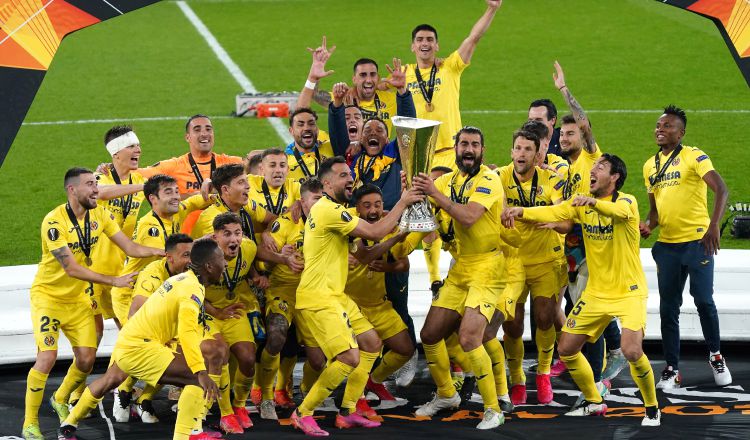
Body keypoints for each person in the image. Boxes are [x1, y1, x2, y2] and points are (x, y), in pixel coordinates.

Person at [502, 154, 661, 427]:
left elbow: (619, 214)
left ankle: (652, 409)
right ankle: (593, 401)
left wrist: (595, 203)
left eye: (601, 167)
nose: (593, 170)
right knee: (566, 348)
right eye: (593, 166)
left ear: (615, 178)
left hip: (629, 293)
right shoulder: (581, 205)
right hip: (597, 293)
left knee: (631, 350)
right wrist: (522, 212)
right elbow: (555, 212)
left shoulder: (627, 202)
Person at [22, 168, 163, 440]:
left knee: (86, 360)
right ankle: (30, 423)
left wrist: (160, 251)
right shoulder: (54, 222)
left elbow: (130, 247)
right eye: (90, 185)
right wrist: (113, 280)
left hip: (79, 300)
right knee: (47, 357)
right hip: (48, 299)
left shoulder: (100, 214)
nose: (96, 189)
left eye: (96, 184)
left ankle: (60, 398)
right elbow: (72, 268)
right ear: (71, 190)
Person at [289, 157, 421, 436]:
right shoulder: (327, 210)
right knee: (349, 357)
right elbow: (374, 230)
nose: (349, 179)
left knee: (372, 344)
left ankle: (348, 411)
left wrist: (398, 236)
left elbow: (363, 255)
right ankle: (303, 412)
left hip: (335, 295)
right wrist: (403, 202)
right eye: (342, 175)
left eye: (350, 174)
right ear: (326, 183)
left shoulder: (334, 211)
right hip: (319, 297)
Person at [58, 238, 227, 440]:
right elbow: (187, 332)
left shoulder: (181, 280)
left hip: (131, 340)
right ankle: (189, 434)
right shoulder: (191, 289)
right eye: (222, 259)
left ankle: (68, 424)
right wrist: (200, 371)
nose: (225, 264)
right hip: (141, 347)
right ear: (209, 266)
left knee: (109, 380)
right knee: (196, 378)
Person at [411, 126, 509, 430]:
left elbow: (468, 217)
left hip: (489, 267)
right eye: (464, 144)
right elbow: (428, 220)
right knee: (429, 335)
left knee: (469, 337)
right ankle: (446, 395)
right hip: (461, 267)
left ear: (483, 151)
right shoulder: (446, 180)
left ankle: (494, 408)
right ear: (455, 148)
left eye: (475, 145)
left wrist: (434, 193)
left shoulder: (488, 180)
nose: (468, 149)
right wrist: (413, 189)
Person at [110, 174, 215, 423]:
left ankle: (144, 399)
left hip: (161, 294)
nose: (176, 196)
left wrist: (208, 193)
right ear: (153, 199)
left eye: (176, 191)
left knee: (168, 346)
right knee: (141, 347)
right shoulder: (150, 227)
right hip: (134, 294)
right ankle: (122, 391)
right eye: (169, 192)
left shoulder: (173, 214)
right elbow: (172, 256)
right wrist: (204, 243)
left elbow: (194, 201)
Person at [640, 105, 731, 389]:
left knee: (704, 300)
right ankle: (672, 369)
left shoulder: (694, 155)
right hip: (667, 246)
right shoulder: (649, 166)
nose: (660, 129)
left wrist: (713, 225)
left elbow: (722, 189)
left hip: (697, 242)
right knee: (669, 309)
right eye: (658, 125)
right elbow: (654, 212)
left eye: (667, 126)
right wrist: (647, 226)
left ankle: (716, 356)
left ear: (681, 133)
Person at [497, 129, 567, 405]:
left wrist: (551, 219)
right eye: (518, 148)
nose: (522, 154)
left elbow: (564, 219)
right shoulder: (499, 177)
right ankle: (517, 378)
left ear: (538, 155)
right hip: (512, 261)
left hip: (545, 261)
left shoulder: (552, 180)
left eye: (528, 149)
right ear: (511, 151)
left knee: (545, 318)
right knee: (512, 322)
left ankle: (543, 373)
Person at [254, 178, 324, 421]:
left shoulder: (332, 220)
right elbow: (262, 261)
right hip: (282, 290)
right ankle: (264, 395)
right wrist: (276, 257)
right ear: (302, 202)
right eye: (315, 199)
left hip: (313, 293)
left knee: (318, 358)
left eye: (323, 198)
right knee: (276, 336)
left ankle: (304, 392)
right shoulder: (285, 224)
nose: (321, 203)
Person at [405, 0, 503, 169]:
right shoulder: (403, 74)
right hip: (419, 156)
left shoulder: (450, 67)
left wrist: (492, 9)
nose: (425, 43)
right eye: (420, 40)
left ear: (437, 45)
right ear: (413, 46)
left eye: (430, 39)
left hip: (452, 153)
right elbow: (371, 87)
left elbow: (473, 39)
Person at [346, 185, 419, 403]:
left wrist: (387, 268)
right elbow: (365, 256)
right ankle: (354, 399)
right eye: (367, 205)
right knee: (359, 353)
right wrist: (396, 237)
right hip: (351, 306)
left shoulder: (388, 225)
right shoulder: (348, 225)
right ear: (356, 208)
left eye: (377, 204)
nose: (373, 210)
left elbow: (404, 264)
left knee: (405, 349)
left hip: (378, 304)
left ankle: (374, 381)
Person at [200, 213, 261, 434]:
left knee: (248, 358)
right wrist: (216, 310)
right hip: (208, 313)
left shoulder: (250, 247)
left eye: (237, 233)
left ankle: (240, 405)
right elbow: (190, 292)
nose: (233, 239)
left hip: (234, 309)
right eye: (227, 234)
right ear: (215, 237)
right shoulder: (202, 256)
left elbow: (250, 265)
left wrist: (257, 275)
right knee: (221, 353)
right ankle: (225, 414)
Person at [89, 125, 146, 332]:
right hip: (92, 272)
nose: (138, 150)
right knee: (91, 342)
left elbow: (169, 189)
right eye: (131, 146)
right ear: (116, 153)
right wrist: (144, 188)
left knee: (130, 331)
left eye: (138, 145)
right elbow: (100, 192)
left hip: (121, 271)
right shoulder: (98, 177)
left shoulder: (139, 178)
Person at [191, 164, 274, 240]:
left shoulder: (245, 204)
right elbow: (229, 251)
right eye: (241, 182)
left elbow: (273, 218)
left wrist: (266, 233)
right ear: (226, 190)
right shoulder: (212, 219)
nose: (248, 186)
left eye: (247, 180)